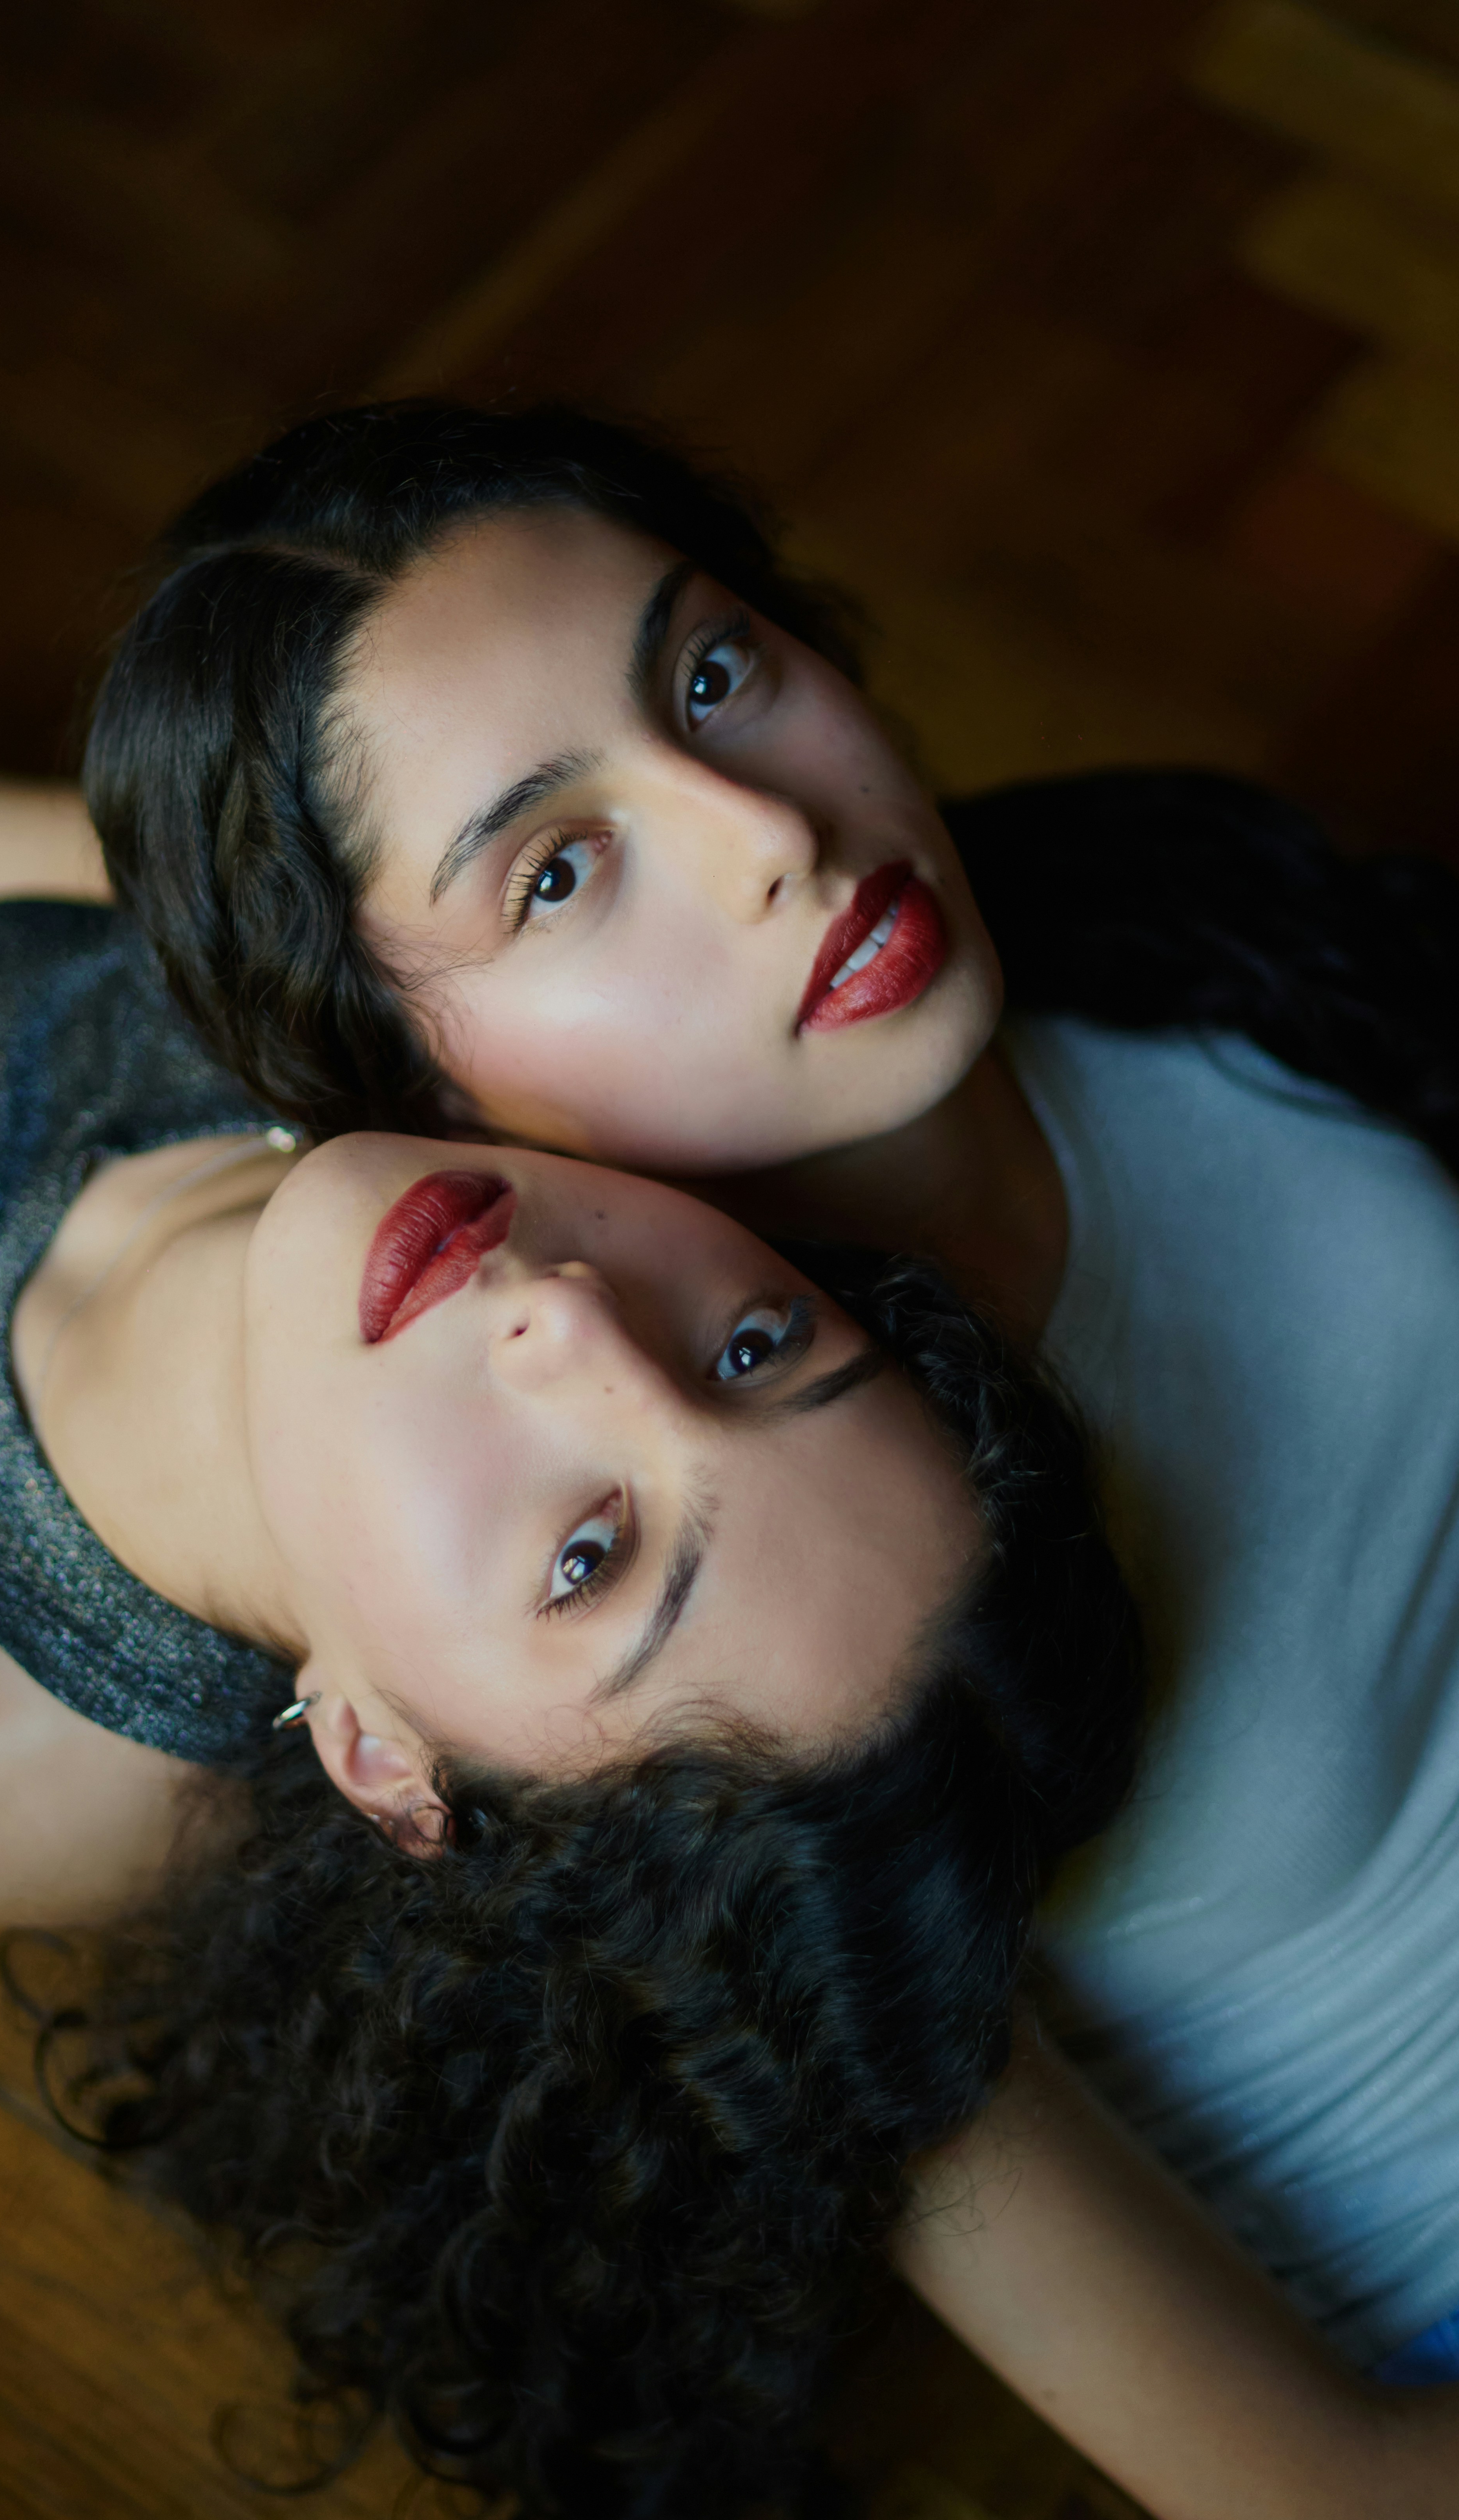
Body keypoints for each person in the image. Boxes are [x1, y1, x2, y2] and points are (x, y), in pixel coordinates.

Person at [76, 400, 1459, 2449]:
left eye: (715, 673)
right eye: (559, 871)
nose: (767, 832)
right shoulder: (760, 1654)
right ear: (407, 1088)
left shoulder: (1108, 928)